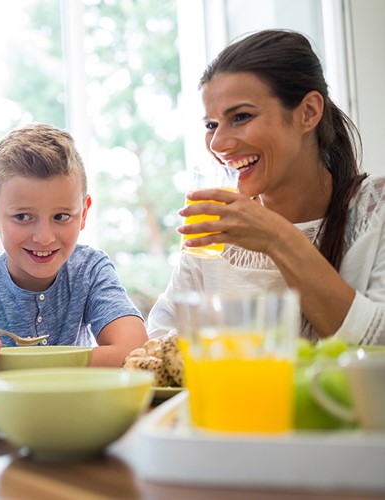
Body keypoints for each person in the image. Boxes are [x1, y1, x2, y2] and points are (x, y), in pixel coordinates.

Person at [148, 29, 385, 346]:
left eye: (241, 116)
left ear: (308, 112)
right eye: (211, 125)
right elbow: (161, 337)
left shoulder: (374, 211)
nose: (219, 143)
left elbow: (378, 347)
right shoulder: (217, 230)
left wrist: (278, 238)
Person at [0, 124, 148, 368]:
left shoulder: (89, 270)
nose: (44, 238)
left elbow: (135, 352)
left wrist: (21, 366)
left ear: (83, 213)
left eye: (61, 217)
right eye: (22, 217)